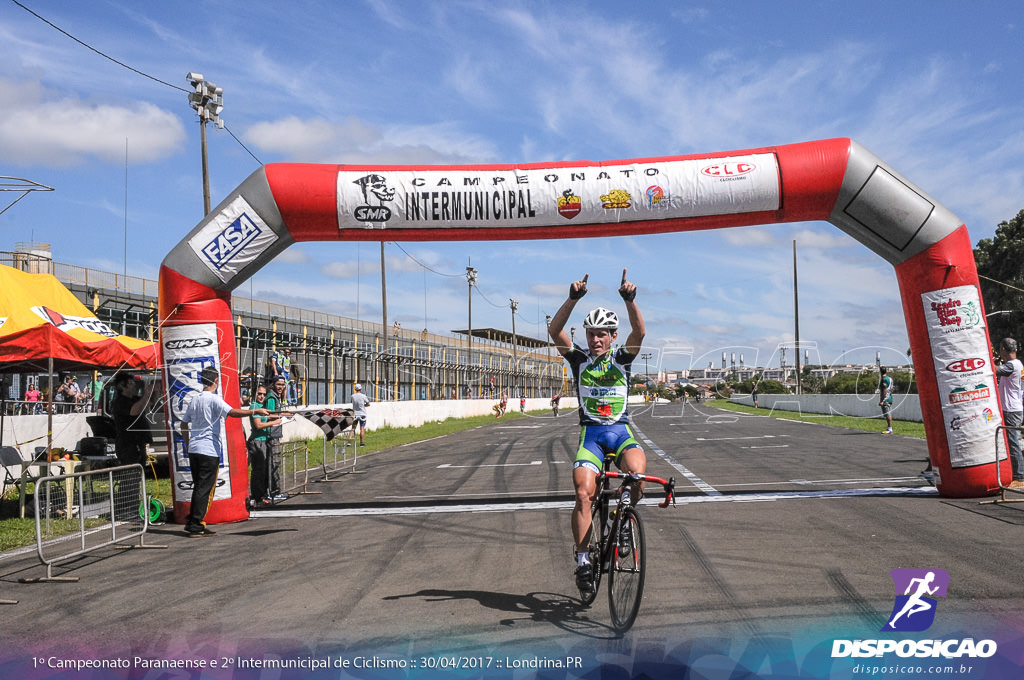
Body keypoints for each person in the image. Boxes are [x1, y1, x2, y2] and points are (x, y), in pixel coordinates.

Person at [548, 269, 646, 594]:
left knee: (637, 473)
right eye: (592, 333)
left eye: (603, 334)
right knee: (582, 493)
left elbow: (640, 332)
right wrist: (573, 297)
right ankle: (583, 561)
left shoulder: (622, 359)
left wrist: (630, 301)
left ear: (613, 336)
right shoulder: (578, 360)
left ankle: (623, 523)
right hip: (591, 436)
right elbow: (555, 330)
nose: (596, 339)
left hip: (620, 432)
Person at [180, 367, 268, 537]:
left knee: (199, 486)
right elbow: (232, 412)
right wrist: (254, 411)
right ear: (216, 381)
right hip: (208, 450)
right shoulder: (213, 399)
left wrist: (187, 443)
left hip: (194, 449)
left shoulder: (195, 399)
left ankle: (193, 519)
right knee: (205, 488)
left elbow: (183, 424)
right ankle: (195, 524)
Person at [110, 373, 156, 521]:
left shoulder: (135, 399)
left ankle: (133, 507)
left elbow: (148, 404)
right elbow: (133, 411)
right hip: (127, 444)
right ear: (121, 386)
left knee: (136, 477)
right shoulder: (120, 402)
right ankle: (124, 508)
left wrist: (152, 392)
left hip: (138, 443)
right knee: (129, 477)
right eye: (130, 383)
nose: (134, 386)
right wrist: (145, 396)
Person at [247, 384, 287, 506]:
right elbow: (258, 424)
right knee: (258, 471)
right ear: (254, 394)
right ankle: (256, 496)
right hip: (257, 441)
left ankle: (263, 495)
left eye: (264, 394)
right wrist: (274, 422)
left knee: (264, 470)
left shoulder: (262, 406)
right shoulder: (254, 406)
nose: (262, 396)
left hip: (264, 440)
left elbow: (270, 415)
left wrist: (284, 415)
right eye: (259, 394)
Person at [995, 338, 1024, 488]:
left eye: (1000, 349)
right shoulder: (1018, 364)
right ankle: (1015, 474)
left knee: (1013, 444)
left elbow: (995, 370)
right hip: (1015, 408)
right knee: (1013, 443)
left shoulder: (1011, 366)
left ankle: (1019, 476)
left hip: (1011, 410)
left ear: (1004, 350)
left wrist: (986, 359)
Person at [879, 367, 894, 434]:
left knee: (887, 414)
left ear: (880, 372)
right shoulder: (890, 379)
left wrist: (882, 400)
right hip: (890, 398)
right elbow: (892, 388)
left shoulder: (884, 379)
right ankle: (889, 428)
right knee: (888, 414)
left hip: (886, 399)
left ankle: (890, 429)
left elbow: (884, 390)